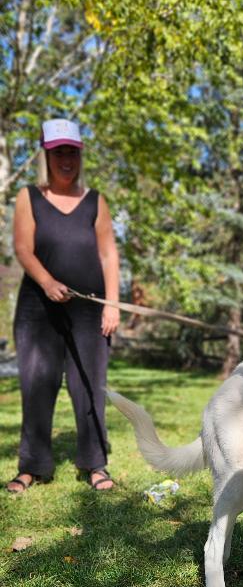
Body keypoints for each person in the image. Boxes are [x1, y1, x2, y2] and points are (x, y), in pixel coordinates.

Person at [6, 117, 121, 493]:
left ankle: (95, 464)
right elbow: (22, 248)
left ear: (79, 154)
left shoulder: (95, 202)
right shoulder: (29, 197)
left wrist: (113, 304)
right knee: (36, 385)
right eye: (59, 152)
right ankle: (32, 465)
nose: (66, 159)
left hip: (89, 313)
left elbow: (108, 255)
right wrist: (47, 281)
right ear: (47, 155)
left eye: (72, 151)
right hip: (38, 312)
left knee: (89, 386)